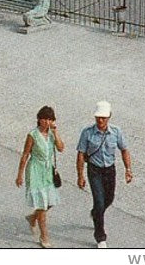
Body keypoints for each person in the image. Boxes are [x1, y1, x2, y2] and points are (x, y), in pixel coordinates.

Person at [76, 100, 133, 249]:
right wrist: (80, 176)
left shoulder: (116, 132)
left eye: (103, 118)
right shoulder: (87, 132)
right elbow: (81, 154)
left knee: (109, 199)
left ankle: (96, 213)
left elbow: (124, 150)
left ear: (109, 117)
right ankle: (100, 236)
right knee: (99, 202)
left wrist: (128, 169)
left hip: (109, 170)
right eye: (98, 118)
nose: (100, 121)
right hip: (94, 170)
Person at [16, 105, 64, 249]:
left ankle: (33, 217)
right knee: (42, 204)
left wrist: (55, 133)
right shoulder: (33, 135)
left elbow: (61, 148)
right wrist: (19, 174)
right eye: (44, 119)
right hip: (35, 171)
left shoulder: (51, 134)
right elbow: (25, 154)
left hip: (48, 171)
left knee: (50, 201)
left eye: (50, 119)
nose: (47, 122)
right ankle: (44, 236)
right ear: (39, 119)